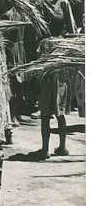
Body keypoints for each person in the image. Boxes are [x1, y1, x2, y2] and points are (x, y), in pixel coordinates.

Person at [34, 15, 70, 159]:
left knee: (45, 116)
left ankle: (45, 149)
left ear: (51, 26)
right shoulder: (66, 43)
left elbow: (39, 62)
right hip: (61, 81)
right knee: (60, 115)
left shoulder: (45, 43)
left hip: (48, 82)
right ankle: (62, 147)